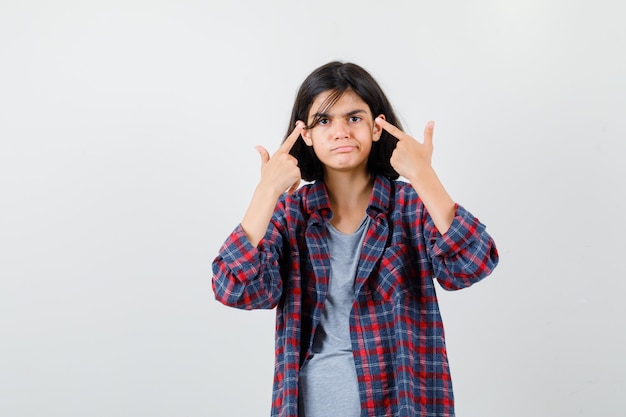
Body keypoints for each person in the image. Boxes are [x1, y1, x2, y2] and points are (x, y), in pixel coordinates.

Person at [212, 61, 499, 417]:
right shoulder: (290, 214)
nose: (339, 132)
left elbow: (472, 264)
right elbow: (235, 288)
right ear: (306, 135)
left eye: (354, 118)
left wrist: (424, 176)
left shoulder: (410, 205)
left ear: (377, 127)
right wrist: (265, 192)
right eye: (323, 120)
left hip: (402, 404)